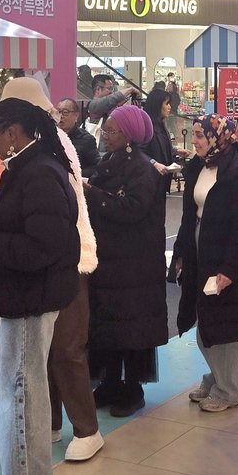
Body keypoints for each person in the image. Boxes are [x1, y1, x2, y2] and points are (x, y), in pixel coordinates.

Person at [0, 98, 81, 475]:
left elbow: (41, 246)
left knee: (22, 394)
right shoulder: (25, 167)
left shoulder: (40, 171)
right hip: (23, 295)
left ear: (13, 132)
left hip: (34, 296)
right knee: (10, 391)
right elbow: (22, 221)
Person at [3, 79, 101, 465]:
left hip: (68, 258)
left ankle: (87, 429)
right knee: (45, 351)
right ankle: (53, 422)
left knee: (66, 347)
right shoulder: (37, 143)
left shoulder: (51, 145)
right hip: (52, 259)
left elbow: (56, 206)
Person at [171, 114, 238, 413]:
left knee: (225, 325)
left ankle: (229, 390)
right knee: (204, 318)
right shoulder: (199, 166)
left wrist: (229, 270)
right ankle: (218, 377)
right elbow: (189, 214)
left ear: (216, 137)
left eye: (200, 135)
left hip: (227, 255)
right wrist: (182, 250)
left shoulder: (237, 174)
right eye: (194, 134)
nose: (194, 140)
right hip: (200, 248)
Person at [86, 105, 169, 418]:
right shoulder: (109, 160)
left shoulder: (143, 169)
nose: (106, 135)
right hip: (109, 260)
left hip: (135, 263)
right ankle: (109, 382)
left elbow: (132, 208)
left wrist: (92, 193)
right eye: (105, 130)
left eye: (112, 131)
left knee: (132, 327)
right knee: (108, 324)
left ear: (129, 135)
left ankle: (132, 388)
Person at [141, 86, 178, 191]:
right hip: (147, 182)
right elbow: (138, 152)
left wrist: (175, 150)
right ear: (157, 105)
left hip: (161, 181)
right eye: (167, 104)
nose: (169, 107)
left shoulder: (161, 124)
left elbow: (160, 147)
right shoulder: (146, 126)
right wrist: (154, 163)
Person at [56, 97, 100, 179]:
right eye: (58, 112)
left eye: (65, 112)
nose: (61, 116)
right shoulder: (51, 136)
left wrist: (74, 174)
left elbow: (96, 167)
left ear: (76, 116)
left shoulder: (87, 139)